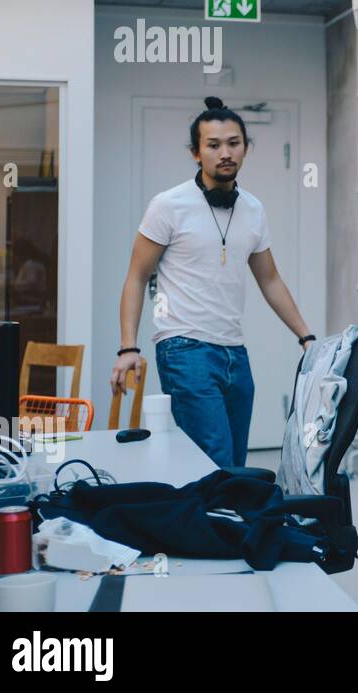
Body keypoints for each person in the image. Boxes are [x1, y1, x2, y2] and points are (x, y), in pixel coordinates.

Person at [109, 97, 315, 469]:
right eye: (213, 144)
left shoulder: (252, 209)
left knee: (234, 463)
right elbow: (136, 277)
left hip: (235, 352)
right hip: (184, 349)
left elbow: (270, 280)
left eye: (234, 143)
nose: (225, 153)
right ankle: (211, 525)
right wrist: (128, 347)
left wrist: (307, 337)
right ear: (195, 152)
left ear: (245, 148)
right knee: (213, 460)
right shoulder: (168, 205)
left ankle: (226, 526)